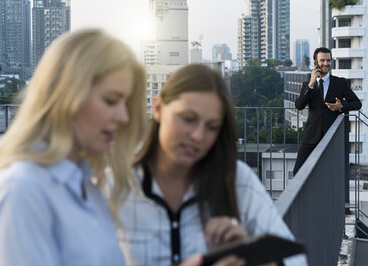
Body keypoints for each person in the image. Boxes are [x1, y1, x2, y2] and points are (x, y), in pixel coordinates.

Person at [0, 29, 147, 265]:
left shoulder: (88, 189)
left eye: (125, 103)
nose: (124, 117)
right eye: (111, 101)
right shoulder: (22, 191)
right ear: (68, 93)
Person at [116, 64, 307, 266]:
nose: (198, 136)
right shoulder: (115, 188)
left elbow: (295, 259)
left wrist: (250, 255)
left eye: (212, 127)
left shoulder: (236, 180)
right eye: (188, 119)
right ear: (158, 108)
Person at [293, 47, 361, 175]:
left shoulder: (339, 83)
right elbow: (299, 105)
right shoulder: (308, 85)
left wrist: (341, 107)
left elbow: (357, 103)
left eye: (328, 60)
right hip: (311, 134)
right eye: (322, 60)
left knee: (329, 173)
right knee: (298, 171)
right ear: (315, 62)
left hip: (332, 135)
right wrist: (311, 83)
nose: (326, 63)